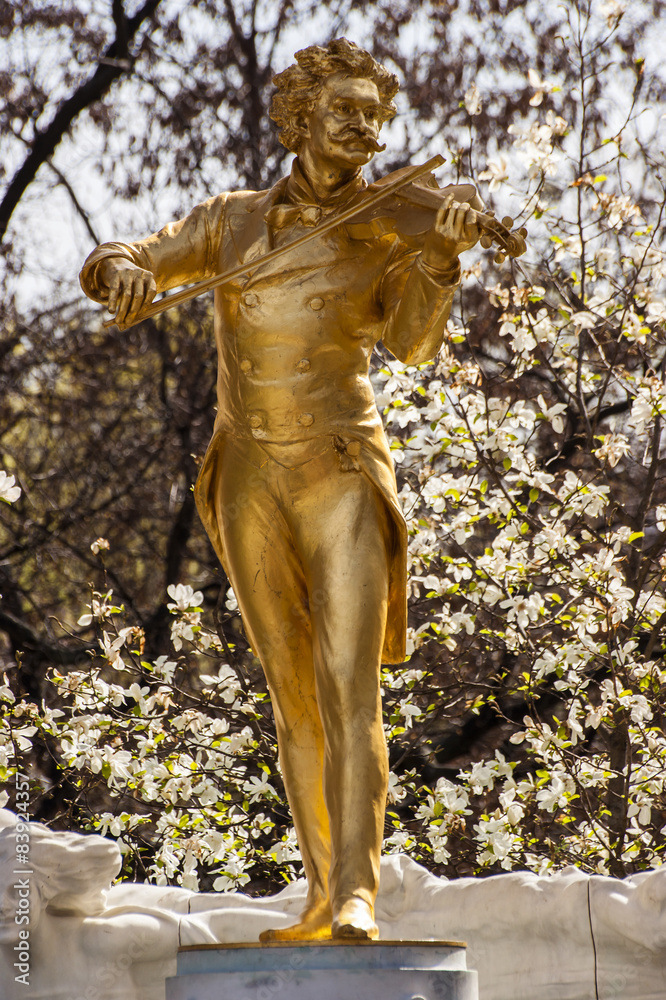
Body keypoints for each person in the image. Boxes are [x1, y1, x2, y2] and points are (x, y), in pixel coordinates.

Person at [80, 37, 480, 942]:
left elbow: (414, 345)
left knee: (349, 689)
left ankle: (357, 892)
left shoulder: (393, 222)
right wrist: (122, 272)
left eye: (376, 118)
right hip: (249, 470)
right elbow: (129, 253)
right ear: (302, 116)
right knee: (290, 692)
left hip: (338, 464)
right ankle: (315, 893)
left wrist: (443, 262)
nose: (365, 129)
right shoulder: (229, 221)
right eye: (346, 110)